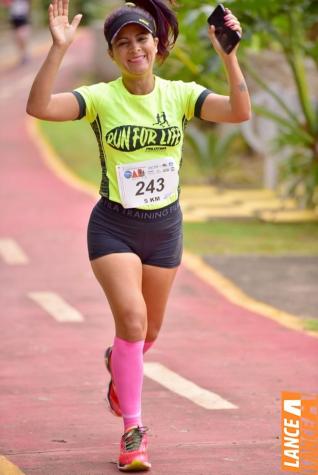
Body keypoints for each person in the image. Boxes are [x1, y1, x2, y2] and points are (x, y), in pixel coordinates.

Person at [26, 0, 251, 471]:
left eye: (141, 38)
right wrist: (58, 49)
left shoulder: (181, 95)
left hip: (165, 227)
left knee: (147, 332)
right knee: (132, 321)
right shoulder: (102, 98)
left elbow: (238, 112)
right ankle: (133, 432)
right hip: (114, 226)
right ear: (112, 54)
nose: (134, 49)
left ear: (157, 44)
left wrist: (230, 56)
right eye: (123, 43)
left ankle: (119, 364)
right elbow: (40, 107)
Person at [3, 0, 31, 64]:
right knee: (17, 38)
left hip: (22, 17)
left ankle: (25, 54)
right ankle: (22, 55)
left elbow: (28, 4)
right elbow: (6, 4)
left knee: (22, 37)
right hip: (14, 18)